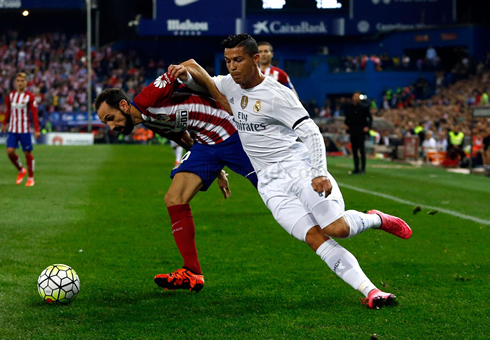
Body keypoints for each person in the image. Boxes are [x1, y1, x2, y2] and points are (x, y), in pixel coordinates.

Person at [171, 33, 412, 309]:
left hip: (300, 170)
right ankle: (371, 291)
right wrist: (183, 76)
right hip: (270, 184)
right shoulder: (229, 85)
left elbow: (310, 131)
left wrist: (319, 171)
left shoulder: (278, 95)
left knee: (337, 228)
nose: (232, 66)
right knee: (315, 238)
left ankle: (376, 219)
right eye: (228, 61)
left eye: (238, 60)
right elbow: (202, 84)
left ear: (255, 58)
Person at [94, 72, 258, 292]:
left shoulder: (148, 98)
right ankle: (192, 272)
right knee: (174, 198)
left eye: (110, 118)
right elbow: (183, 138)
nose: (111, 127)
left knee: (272, 190)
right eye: (106, 123)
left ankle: (318, 223)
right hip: (207, 144)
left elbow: (189, 65)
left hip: (230, 132)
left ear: (123, 105)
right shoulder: (149, 121)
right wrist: (218, 172)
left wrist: (219, 98)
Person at [1, 72, 40, 186]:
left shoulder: (30, 96)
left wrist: (37, 129)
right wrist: (5, 123)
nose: (20, 83)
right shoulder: (11, 95)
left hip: (24, 129)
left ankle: (31, 178)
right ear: (15, 82)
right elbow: (8, 111)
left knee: (27, 153)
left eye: (22, 81)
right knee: (10, 152)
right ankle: (21, 170)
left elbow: (34, 113)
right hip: (13, 129)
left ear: (25, 82)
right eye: (18, 81)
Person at [344, 92, 372, 174]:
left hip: (361, 130)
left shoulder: (364, 107)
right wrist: (346, 125)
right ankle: (356, 168)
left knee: (361, 149)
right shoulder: (350, 107)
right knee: (354, 150)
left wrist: (368, 127)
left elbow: (370, 118)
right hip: (353, 130)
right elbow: (347, 117)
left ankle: (362, 169)